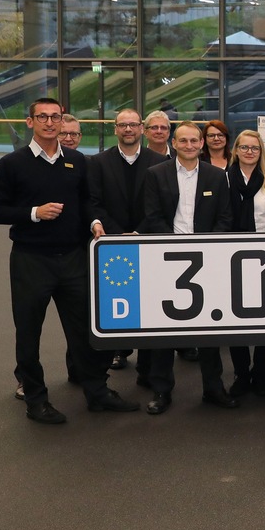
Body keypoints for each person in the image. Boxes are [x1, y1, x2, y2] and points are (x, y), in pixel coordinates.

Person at [0, 98, 140, 424]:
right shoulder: (12, 164)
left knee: (86, 330)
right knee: (29, 333)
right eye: (42, 116)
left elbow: (87, 202)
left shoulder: (76, 161)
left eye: (54, 116)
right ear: (31, 122)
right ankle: (36, 400)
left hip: (72, 258)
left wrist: (95, 223)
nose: (49, 122)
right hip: (31, 259)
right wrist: (33, 214)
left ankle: (97, 392)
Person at [139, 120, 236, 415]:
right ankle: (161, 390)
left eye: (195, 141)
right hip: (167, 259)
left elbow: (225, 219)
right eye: (184, 141)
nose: (190, 146)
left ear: (202, 144)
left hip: (207, 261)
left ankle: (213, 388)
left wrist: (208, 248)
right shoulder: (156, 174)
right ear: (174, 143)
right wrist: (174, 246)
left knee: (209, 329)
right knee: (165, 329)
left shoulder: (216, 176)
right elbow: (152, 217)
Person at [88, 108, 168, 377]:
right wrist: (117, 232)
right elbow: (95, 201)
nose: (128, 130)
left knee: (150, 304)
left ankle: (147, 368)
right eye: (123, 125)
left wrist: (140, 232)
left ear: (142, 129)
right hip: (113, 244)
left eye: (133, 125)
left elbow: (160, 206)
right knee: (117, 302)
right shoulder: (98, 162)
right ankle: (117, 352)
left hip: (148, 242)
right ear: (115, 129)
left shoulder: (159, 161)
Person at [225, 130, 265, 398]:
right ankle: (241, 372)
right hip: (231, 258)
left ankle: (260, 373)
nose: (250, 152)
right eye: (245, 148)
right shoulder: (223, 179)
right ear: (235, 150)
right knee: (235, 321)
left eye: (255, 148)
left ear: (261, 153)